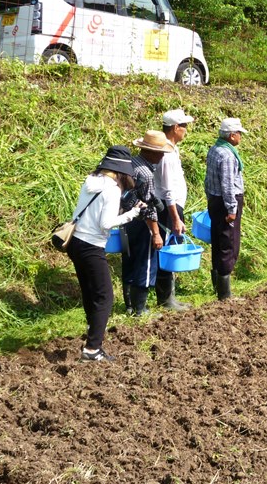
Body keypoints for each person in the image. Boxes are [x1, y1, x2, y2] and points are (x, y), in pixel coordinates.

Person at [67, 146, 145, 361]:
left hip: (76, 242)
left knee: (90, 292)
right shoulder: (112, 190)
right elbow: (106, 223)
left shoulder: (91, 181)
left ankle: (92, 333)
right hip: (91, 245)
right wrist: (132, 214)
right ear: (121, 171)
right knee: (105, 296)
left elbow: (94, 212)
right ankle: (92, 349)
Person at [122, 131, 173, 316]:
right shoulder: (146, 173)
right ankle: (140, 309)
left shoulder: (130, 165)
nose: (162, 156)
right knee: (146, 263)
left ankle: (128, 306)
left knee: (129, 260)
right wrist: (156, 233)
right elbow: (148, 206)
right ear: (150, 152)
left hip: (125, 220)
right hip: (142, 223)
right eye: (160, 152)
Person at [154, 109, 193, 311]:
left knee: (172, 248)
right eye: (184, 127)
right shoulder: (167, 154)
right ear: (175, 128)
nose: (186, 130)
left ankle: (170, 296)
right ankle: (165, 299)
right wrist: (175, 218)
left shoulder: (172, 149)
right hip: (168, 209)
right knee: (167, 250)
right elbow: (168, 190)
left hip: (172, 207)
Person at [205, 118, 248, 300]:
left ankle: (218, 286)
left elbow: (208, 180)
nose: (240, 137)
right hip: (226, 202)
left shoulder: (215, 149)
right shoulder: (228, 155)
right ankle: (225, 293)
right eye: (239, 134)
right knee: (229, 244)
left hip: (215, 200)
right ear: (232, 135)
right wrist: (232, 208)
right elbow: (228, 185)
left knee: (218, 240)